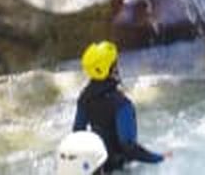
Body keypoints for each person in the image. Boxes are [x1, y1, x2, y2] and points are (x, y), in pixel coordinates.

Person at [73, 41, 171, 172]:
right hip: (120, 168)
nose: (117, 67)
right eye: (114, 64)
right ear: (109, 69)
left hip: (97, 167)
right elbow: (129, 148)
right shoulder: (122, 105)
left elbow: (77, 134)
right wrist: (159, 158)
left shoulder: (84, 98)